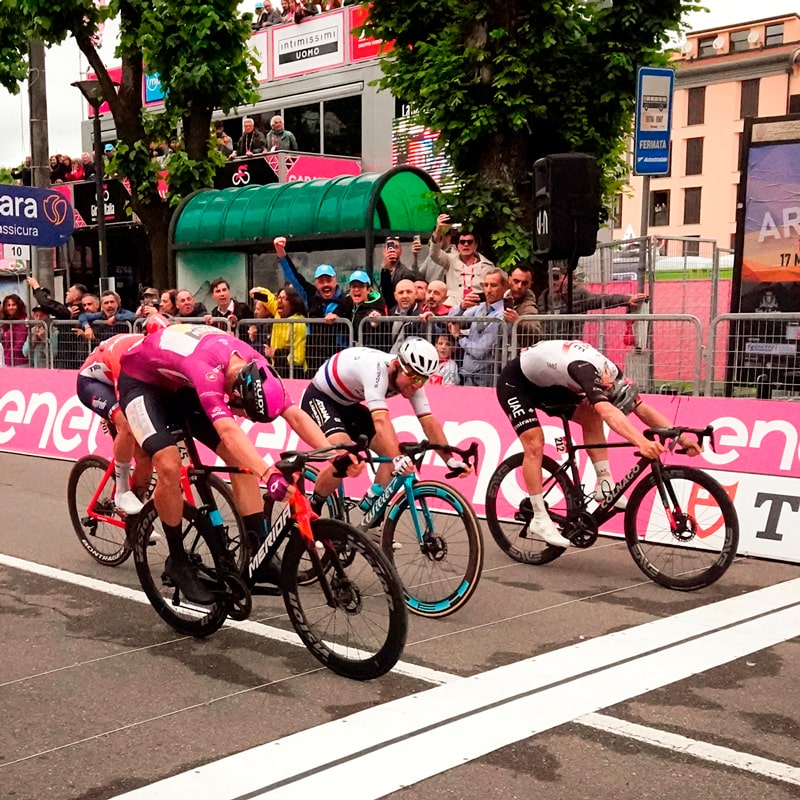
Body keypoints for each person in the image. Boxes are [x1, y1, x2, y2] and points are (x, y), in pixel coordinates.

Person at [118, 323, 360, 603]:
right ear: (234, 396)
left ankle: (259, 550)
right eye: (246, 414)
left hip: (180, 383)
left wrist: (335, 453)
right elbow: (229, 432)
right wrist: (268, 474)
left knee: (241, 462)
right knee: (169, 464)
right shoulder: (206, 370)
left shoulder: (258, 366)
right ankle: (177, 560)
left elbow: (295, 415)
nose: (244, 418)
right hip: (141, 383)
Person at [496, 339, 703, 547]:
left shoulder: (612, 374)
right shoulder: (585, 371)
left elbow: (640, 407)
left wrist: (683, 438)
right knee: (534, 443)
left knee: (591, 415)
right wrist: (640, 442)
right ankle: (539, 517)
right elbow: (608, 413)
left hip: (549, 382)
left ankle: (605, 485)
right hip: (517, 383)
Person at [300, 338, 470, 509]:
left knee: (391, 452)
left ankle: (370, 511)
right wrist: (398, 458)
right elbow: (381, 420)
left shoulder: (413, 380)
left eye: (422, 379)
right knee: (346, 458)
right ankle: (312, 507)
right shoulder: (375, 370)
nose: (416, 384)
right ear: (396, 364)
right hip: (320, 398)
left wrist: (449, 460)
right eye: (412, 376)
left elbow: (429, 423)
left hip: (349, 405)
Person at [75, 324, 168, 516]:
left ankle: (135, 517)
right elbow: (126, 400)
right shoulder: (125, 355)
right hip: (92, 383)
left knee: (145, 456)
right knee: (127, 422)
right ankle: (122, 492)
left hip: (122, 382)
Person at [274, 235, 344, 371]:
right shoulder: (310, 295)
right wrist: (281, 253)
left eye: (328, 280)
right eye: (321, 281)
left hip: (338, 361)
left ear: (335, 281)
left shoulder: (346, 299)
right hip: (314, 361)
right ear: (316, 283)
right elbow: (294, 277)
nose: (326, 285)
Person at [537, 265, 648, 339]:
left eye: (556, 277)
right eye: (549, 277)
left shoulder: (579, 294)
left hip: (571, 346)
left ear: (567, 278)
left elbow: (602, 300)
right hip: (548, 345)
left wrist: (627, 300)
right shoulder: (544, 296)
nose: (552, 281)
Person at [448, 268, 508, 387]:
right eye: (486, 285)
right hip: (468, 375)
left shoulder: (503, 314)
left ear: (504, 287)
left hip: (486, 377)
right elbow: (450, 320)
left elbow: (480, 351)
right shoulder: (480, 307)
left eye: (493, 285)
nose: (488, 290)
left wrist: (459, 336)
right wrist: (462, 307)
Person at [428, 214, 494, 306]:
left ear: (475, 246)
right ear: (458, 246)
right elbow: (434, 253)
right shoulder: (449, 260)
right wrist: (438, 230)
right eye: (462, 242)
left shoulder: (487, 266)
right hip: (453, 307)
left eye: (469, 242)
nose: (466, 245)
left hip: (478, 308)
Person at [327, 270, 386, 350]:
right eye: (353, 286)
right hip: (350, 350)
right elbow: (336, 314)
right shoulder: (347, 301)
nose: (356, 289)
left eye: (361, 286)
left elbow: (380, 318)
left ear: (368, 290)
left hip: (370, 352)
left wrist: (376, 323)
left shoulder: (376, 306)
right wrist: (333, 316)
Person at [265, 285, 307, 377]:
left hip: (293, 373)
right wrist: (255, 292)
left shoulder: (298, 324)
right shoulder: (278, 315)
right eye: (279, 297)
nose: (279, 301)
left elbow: (298, 358)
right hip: (277, 369)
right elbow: (267, 298)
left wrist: (275, 354)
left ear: (292, 304)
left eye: (284, 298)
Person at [503, 265, 540, 347]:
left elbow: (536, 331)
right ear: (509, 280)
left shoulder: (528, 305)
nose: (519, 286)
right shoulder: (500, 291)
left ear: (530, 284)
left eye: (524, 283)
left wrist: (519, 322)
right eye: (516, 281)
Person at [379, 236, 419, 305]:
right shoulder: (384, 271)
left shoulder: (406, 273)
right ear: (384, 251)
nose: (392, 250)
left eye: (396, 247)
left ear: (400, 251)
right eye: (389, 247)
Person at [1, 293, 28, 367]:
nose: (11, 307)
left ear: (18, 306)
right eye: (8, 305)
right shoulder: (6, 322)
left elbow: (19, 343)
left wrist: (9, 355)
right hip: (8, 360)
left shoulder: (21, 322)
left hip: (19, 362)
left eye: (13, 305)